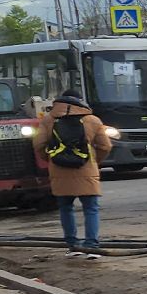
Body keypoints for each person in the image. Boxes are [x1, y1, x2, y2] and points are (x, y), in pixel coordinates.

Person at [32, 89, 115, 259]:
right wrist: (94, 161)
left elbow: (39, 145)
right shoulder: (92, 120)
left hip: (59, 170)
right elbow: (105, 146)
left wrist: (51, 160)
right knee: (91, 209)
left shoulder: (48, 120)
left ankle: (73, 245)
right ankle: (91, 245)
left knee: (65, 208)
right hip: (86, 169)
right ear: (80, 101)